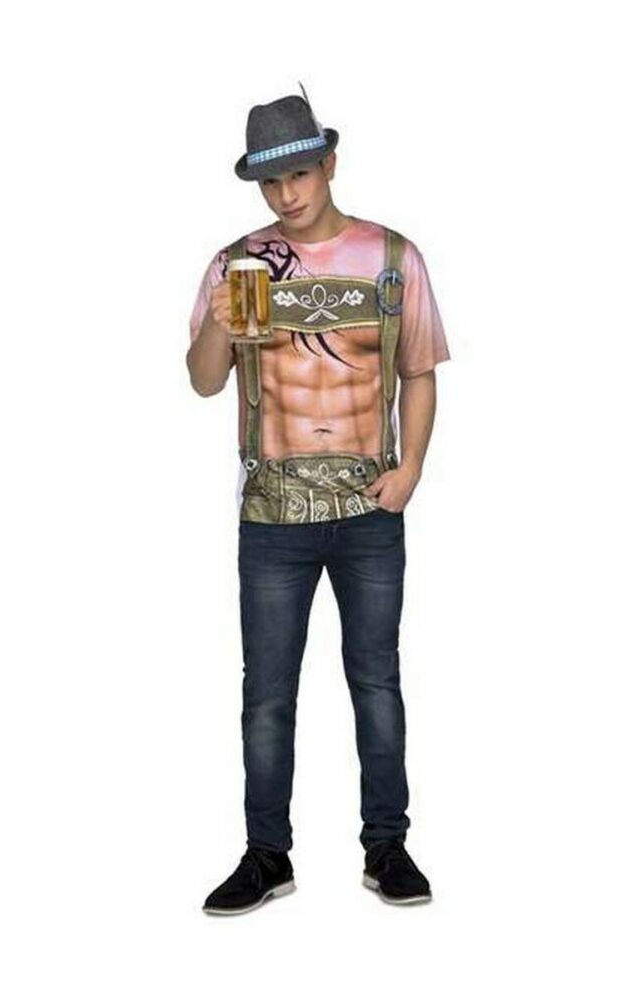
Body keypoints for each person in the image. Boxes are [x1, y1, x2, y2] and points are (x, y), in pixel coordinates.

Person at [187, 85, 451, 915]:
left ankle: (387, 847)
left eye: (299, 174)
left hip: (370, 507)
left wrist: (411, 471)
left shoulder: (391, 256)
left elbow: (418, 371)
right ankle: (267, 855)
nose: (286, 195)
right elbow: (202, 382)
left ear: (329, 164)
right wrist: (221, 321)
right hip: (271, 512)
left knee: (376, 682)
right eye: (270, 182)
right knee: (267, 692)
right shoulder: (236, 264)